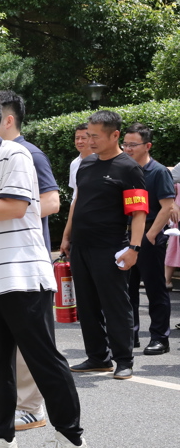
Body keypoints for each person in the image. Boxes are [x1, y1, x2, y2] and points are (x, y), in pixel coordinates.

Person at [0, 89, 87, 448]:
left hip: (21, 275)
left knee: (43, 359)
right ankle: (1, 437)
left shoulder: (16, 154)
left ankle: (71, 438)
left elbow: (14, 206)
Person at [0, 90, 62, 430]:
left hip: (21, 261)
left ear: (6, 119)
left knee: (31, 347)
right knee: (0, 348)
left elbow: (50, 202)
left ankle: (31, 407)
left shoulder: (26, 154)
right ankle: (6, 409)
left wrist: (5, 210)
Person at [61, 111, 147, 380]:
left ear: (115, 135)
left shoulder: (128, 168)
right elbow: (77, 202)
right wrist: (66, 236)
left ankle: (124, 360)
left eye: (95, 136)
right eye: (88, 135)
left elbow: (138, 212)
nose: (90, 141)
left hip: (110, 248)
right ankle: (98, 357)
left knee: (115, 304)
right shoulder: (86, 164)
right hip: (81, 246)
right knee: (87, 305)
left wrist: (134, 248)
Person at [122, 123, 174, 354]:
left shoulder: (159, 171)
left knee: (155, 289)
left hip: (150, 235)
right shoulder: (124, 170)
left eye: (133, 145)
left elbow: (167, 206)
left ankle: (160, 338)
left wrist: (150, 235)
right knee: (127, 290)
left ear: (147, 146)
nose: (127, 149)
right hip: (126, 236)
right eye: (125, 144)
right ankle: (130, 335)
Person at [68, 122, 91, 201]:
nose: (79, 141)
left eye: (83, 138)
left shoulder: (101, 161)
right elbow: (75, 192)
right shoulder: (74, 163)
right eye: (77, 138)